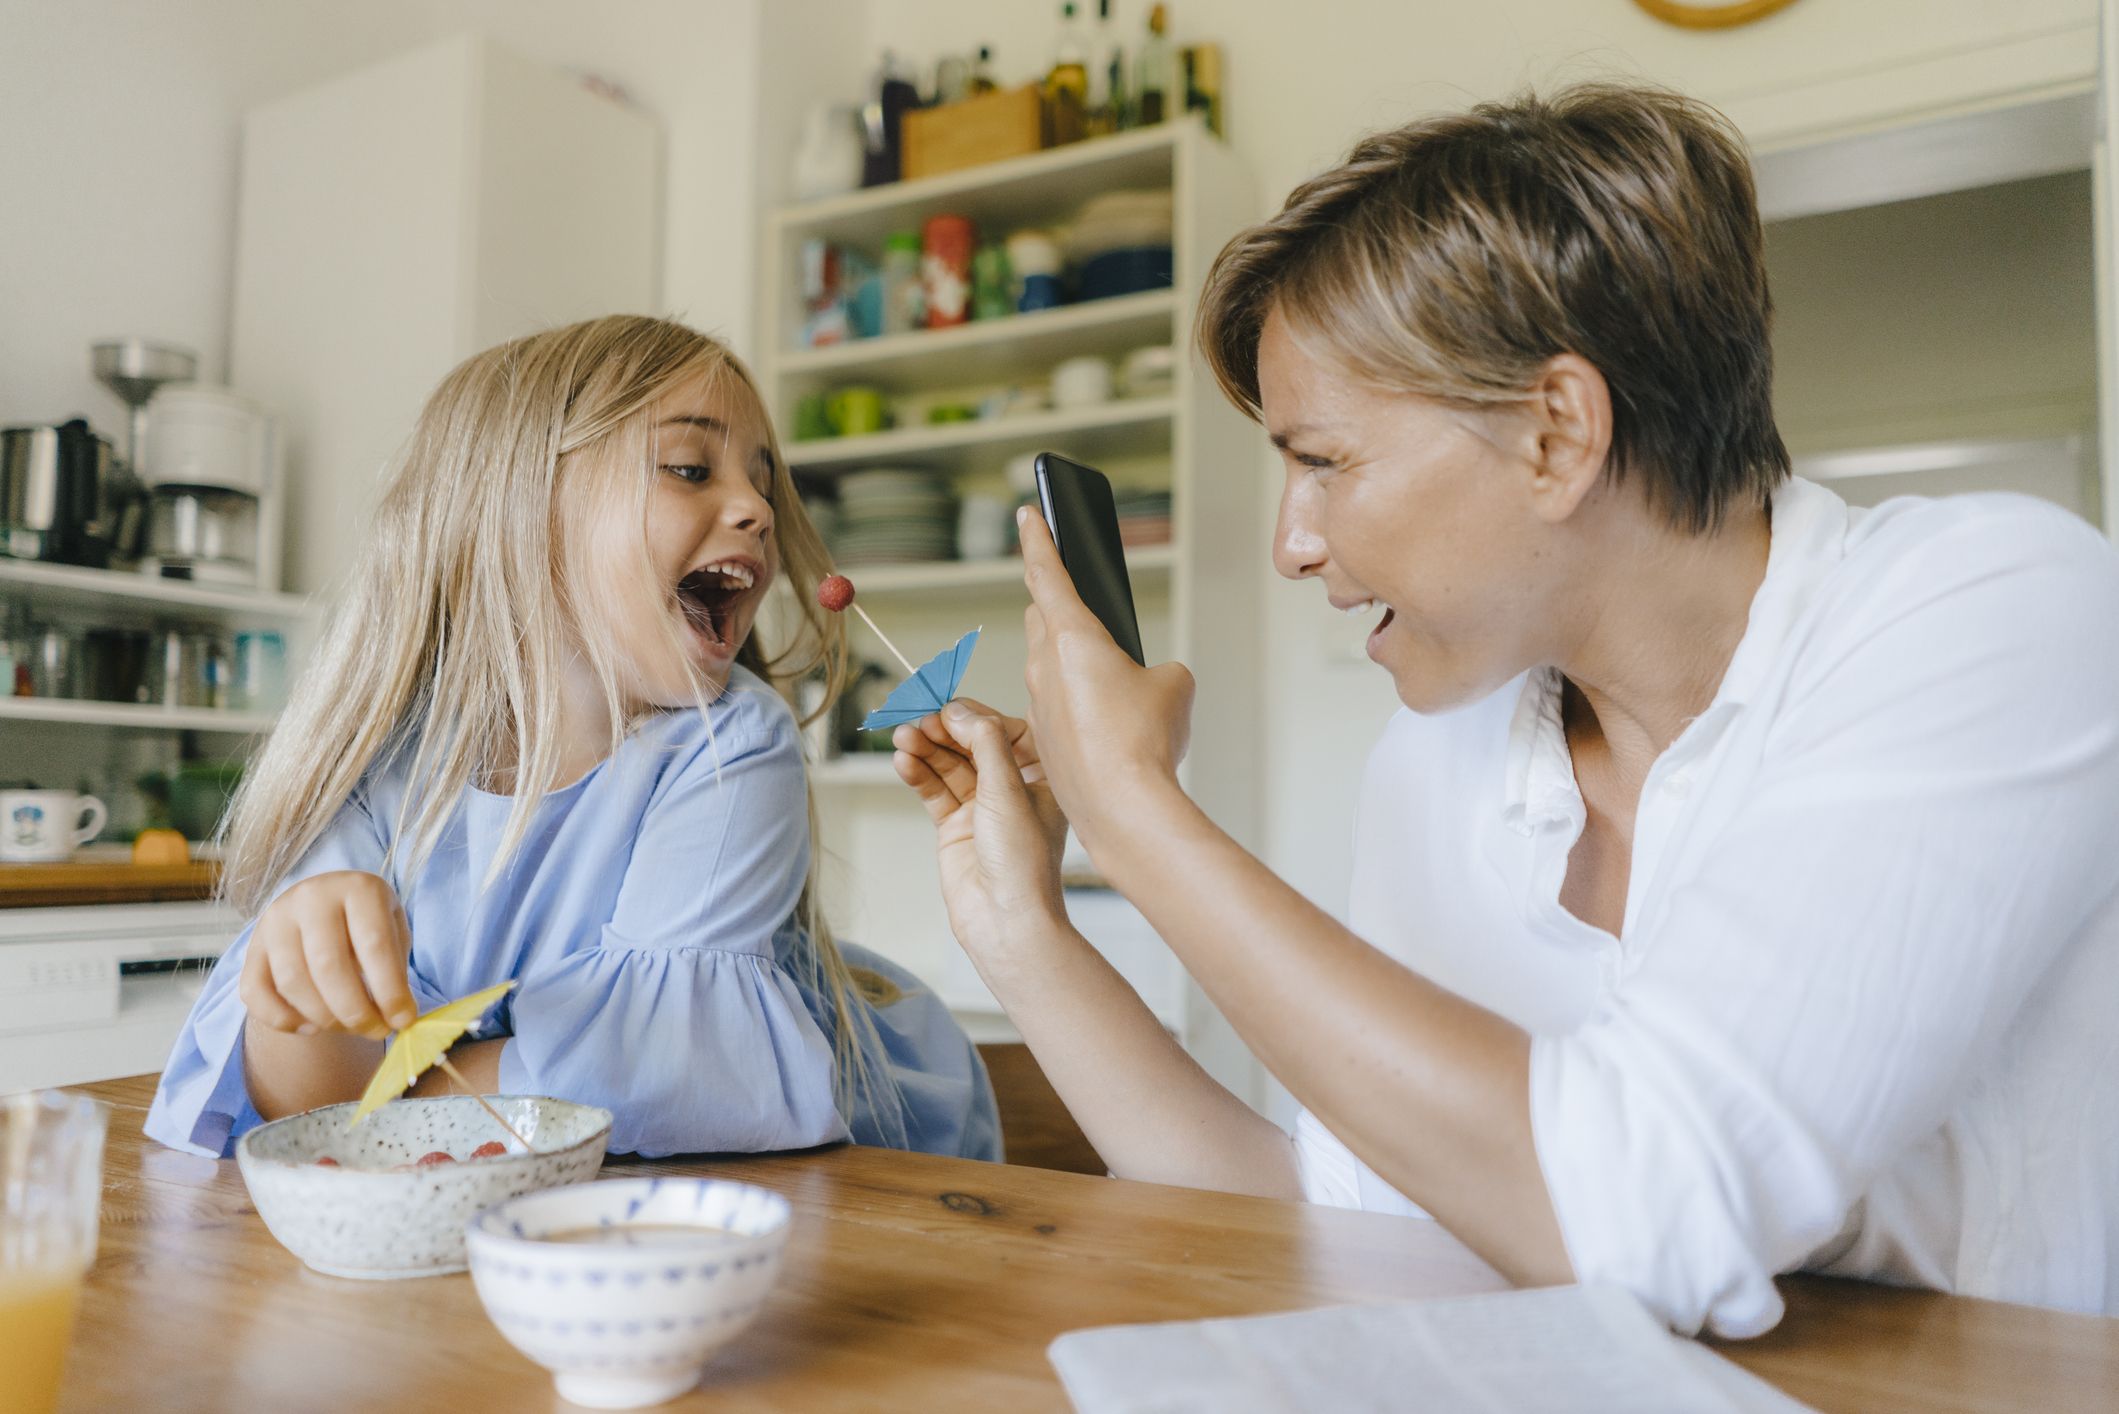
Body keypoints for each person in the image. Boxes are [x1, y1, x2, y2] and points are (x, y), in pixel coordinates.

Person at [892, 83, 2119, 1337]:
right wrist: (1025, 934)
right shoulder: (1443, 752)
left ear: (1554, 433)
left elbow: (1641, 1210)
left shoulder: (1997, 610)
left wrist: (1138, 818)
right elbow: (1345, 1215)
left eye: (1322, 462)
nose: (1290, 543)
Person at [147, 315, 998, 1163]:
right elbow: (304, 1110)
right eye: (689, 468)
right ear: (518, 512)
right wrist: (298, 999)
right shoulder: (380, 768)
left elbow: (661, 1075)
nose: (756, 510)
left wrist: (392, 1105)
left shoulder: (730, 741)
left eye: (762, 482)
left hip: (877, 1172)